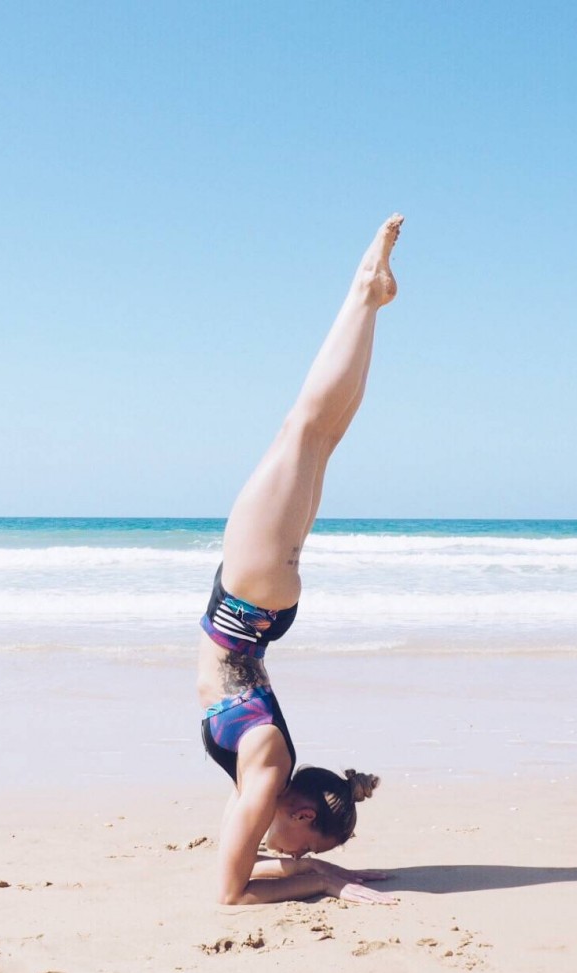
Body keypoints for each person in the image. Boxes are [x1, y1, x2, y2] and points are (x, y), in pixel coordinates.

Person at [196, 214, 404, 905]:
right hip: (249, 598)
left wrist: (327, 873)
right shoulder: (264, 776)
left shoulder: (270, 773)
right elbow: (238, 893)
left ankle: (369, 299)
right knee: (307, 429)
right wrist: (327, 882)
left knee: (318, 435)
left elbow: (242, 885)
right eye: (305, 845)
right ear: (304, 813)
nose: (288, 853)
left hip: (259, 605)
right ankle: (364, 293)